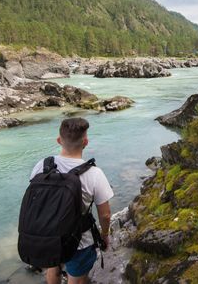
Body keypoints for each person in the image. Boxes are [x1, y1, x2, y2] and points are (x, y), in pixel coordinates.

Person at [29, 117, 113, 284]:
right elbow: (105, 215)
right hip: (79, 242)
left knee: (53, 267)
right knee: (77, 279)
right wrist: (104, 235)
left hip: (48, 236)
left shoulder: (42, 165)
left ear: (59, 140)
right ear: (86, 142)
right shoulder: (94, 173)